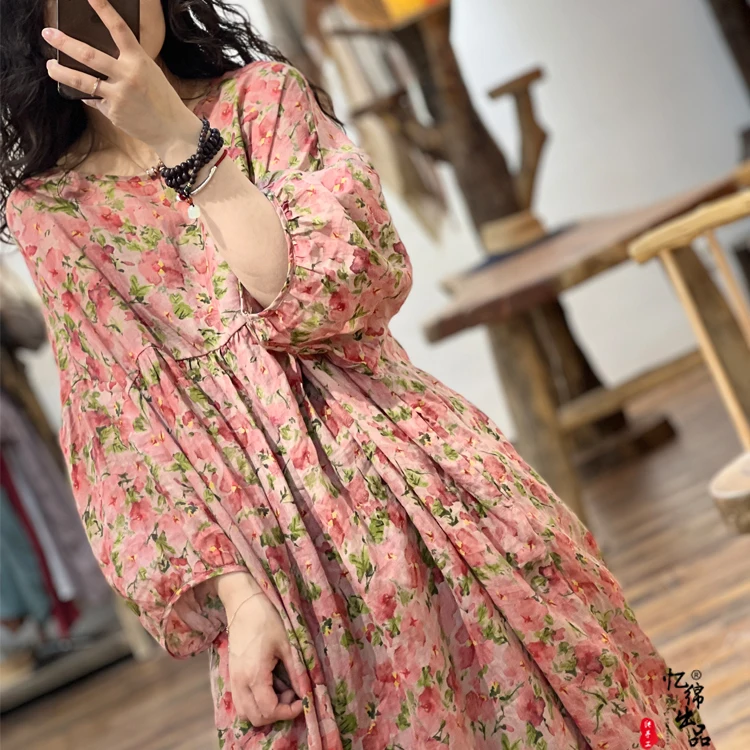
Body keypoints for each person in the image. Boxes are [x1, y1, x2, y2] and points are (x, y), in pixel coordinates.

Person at [0, 1, 708, 748]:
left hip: (430, 495)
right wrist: (239, 601)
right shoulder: (50, 211)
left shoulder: (264, 100)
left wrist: (182, 143)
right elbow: (120, 441)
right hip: (278, 583)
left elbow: (334, 293)